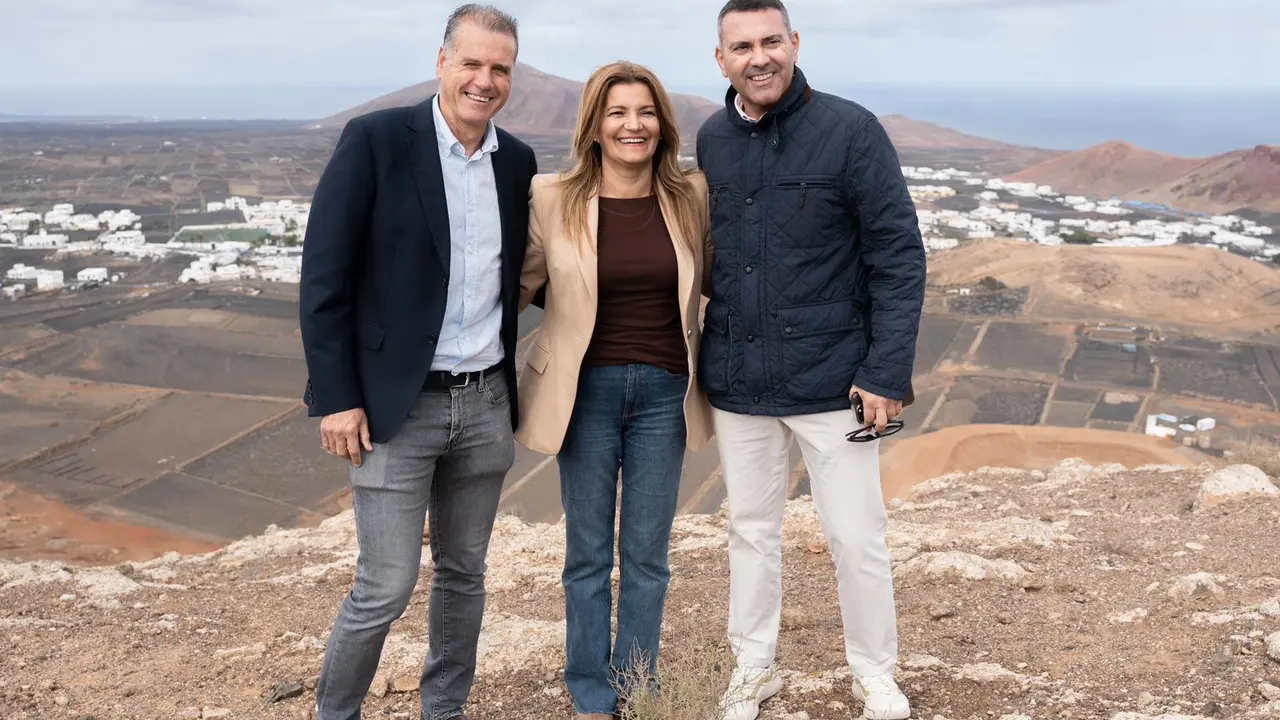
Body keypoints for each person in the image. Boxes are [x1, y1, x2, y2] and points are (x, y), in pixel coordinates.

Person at [297, 4, 538, 719]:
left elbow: (525, 276)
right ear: (441, 62)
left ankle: (445, 709)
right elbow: (324, 279)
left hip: (486, 403)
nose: (484, 80)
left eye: (499, 69)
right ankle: (334, 713)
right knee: (386, 585)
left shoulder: (517, 162)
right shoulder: (374, 141)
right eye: (472, 63)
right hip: (395, 410)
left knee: (465, 575)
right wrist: (336, 396)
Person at [695, 1, 926, 719]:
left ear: (794, 44)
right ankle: (753, 668)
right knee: (750, 532)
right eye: (742, 46)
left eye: (771, 41)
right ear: (721, 58)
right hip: (739, 383)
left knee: (855, 536)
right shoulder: (711, 140)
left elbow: (898, 256)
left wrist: (886, 372)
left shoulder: (850, 130)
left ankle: (874, 672)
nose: (758, 57)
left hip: (837, 385)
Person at [514, 61, 715, 719]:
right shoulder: (551, 197)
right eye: (618, 112)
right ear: (595, 126)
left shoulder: (691, 196)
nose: (634, 125)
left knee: (648, 556)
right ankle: (590, 690)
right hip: (585, 395)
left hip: (665, 393)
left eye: (646, 112)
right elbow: (515, 290)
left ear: (663, 124)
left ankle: (637, 684)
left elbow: (716, 283)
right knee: (589, 555)